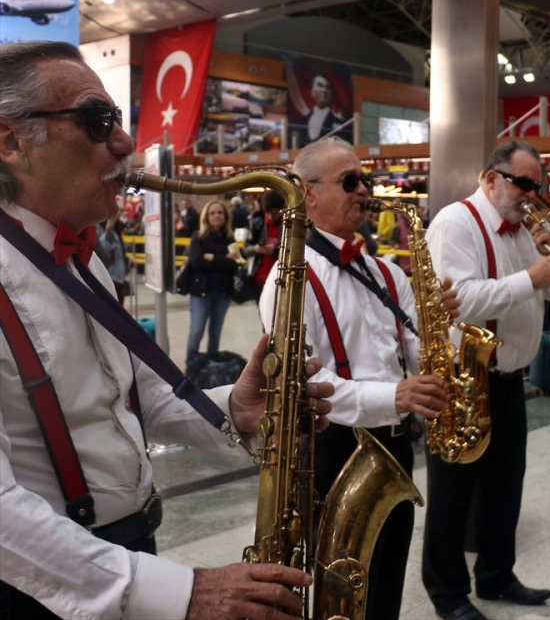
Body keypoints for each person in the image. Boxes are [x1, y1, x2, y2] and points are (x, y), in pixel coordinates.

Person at [0, 39, 333, 620]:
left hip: (124, 556)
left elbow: (138, 404)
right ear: (10, 142)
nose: (126, 144)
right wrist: (184, 593)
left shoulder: (88, 258)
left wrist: (236, 408)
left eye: (118, 121)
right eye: (96, 120)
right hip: (41, 588)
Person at [259, 138, 454, 620]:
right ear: (308, 193)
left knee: (385, 588)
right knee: (340, 597)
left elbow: (419, 355)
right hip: (333, 452)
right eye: (349, 181)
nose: (363, 189)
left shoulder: (389, 273)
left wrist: (441, 332)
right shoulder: (290, 277)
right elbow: (305, 385)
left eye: (364, 179)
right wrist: (396, 394)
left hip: (395, 449)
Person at [423, 140, 550, 620]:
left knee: (506, 485)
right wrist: (532, 275)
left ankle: (496, 574)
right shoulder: (455, 223)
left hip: (508, 378)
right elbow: (459, 300)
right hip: (463, 378)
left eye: (538, 186)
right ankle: (447, 594)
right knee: (453, 493)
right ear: (491, 178)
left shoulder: (524, 230)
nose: (532, 195)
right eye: (523, 183)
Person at [185, 200, 239, 366]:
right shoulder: (198, 237)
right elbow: (196, 262)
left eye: (220, 213)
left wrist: (212, 257)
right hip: (201, 293)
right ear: (206, 217)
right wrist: (223, 260)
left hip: (223, 293)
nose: (217, 216)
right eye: (213, 213)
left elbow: (235, 265)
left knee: (215, 333)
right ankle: (191, 367)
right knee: (196, 332)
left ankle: (210, 368)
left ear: (225, 216)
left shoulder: (230, 238)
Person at [290, 74, 348, 148]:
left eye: (327, 87)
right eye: (320, 85)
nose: (323, 90)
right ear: (312, 90)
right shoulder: (300, 123)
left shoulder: (342, 124)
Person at [95, 214, 131, 304]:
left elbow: (118, 248)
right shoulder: (95, 228)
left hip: (119, 278)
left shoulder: (115, 230)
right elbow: (102, 254)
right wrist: (109, 226)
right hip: (108, 278)